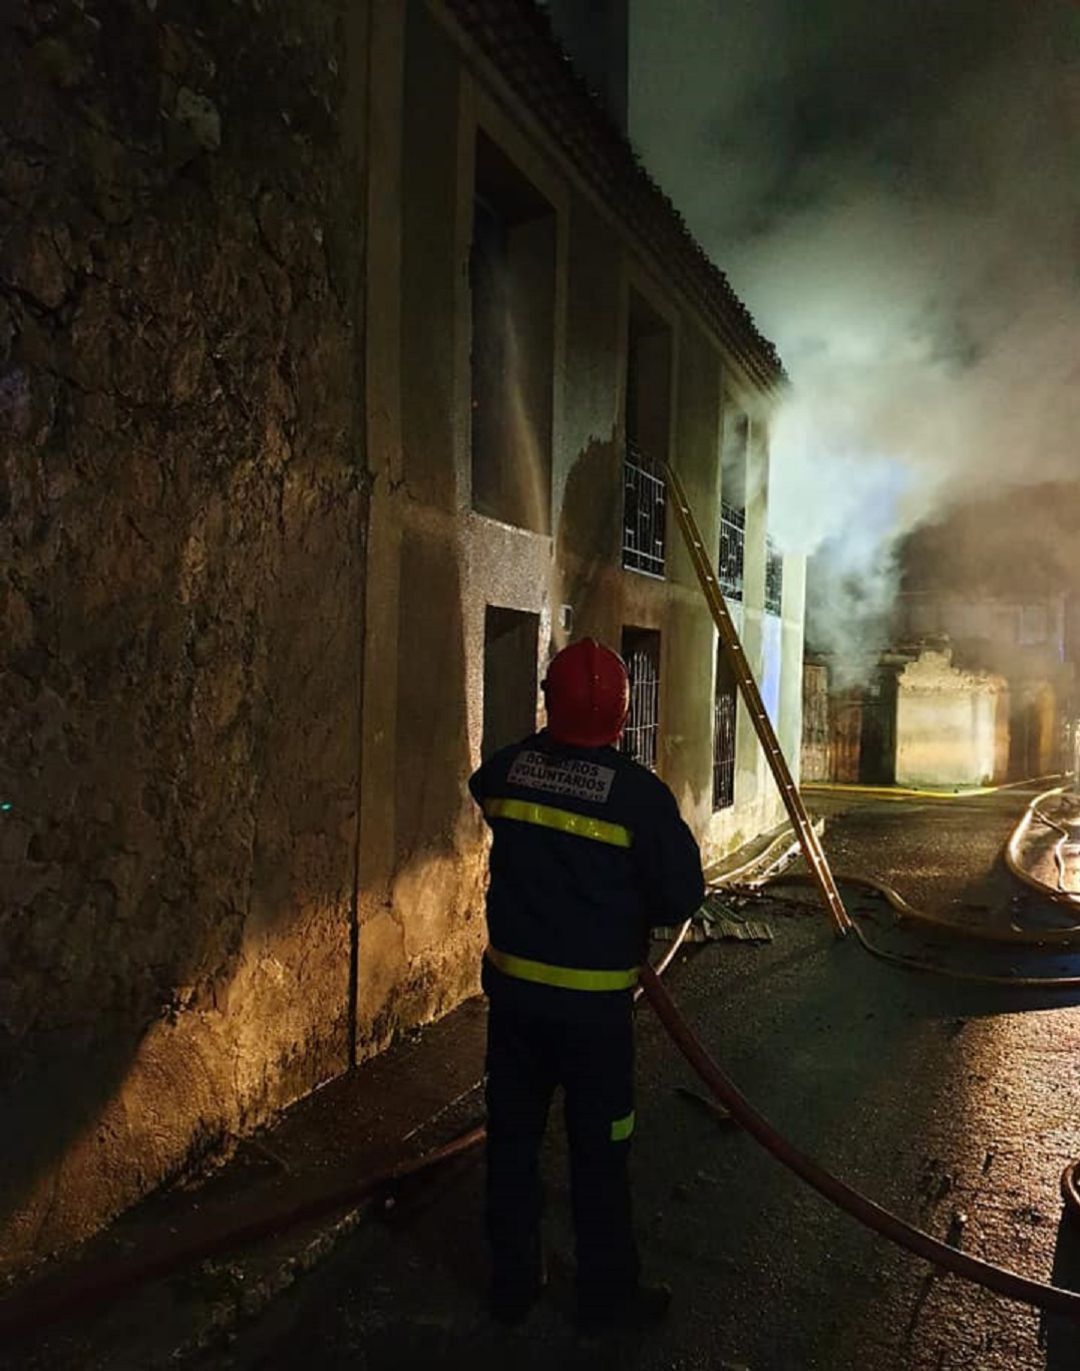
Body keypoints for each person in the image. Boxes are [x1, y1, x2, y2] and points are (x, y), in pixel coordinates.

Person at [469, 637, 706, 1334]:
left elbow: (484, 789)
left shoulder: (514, 768)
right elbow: (679, 894)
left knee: (511, 1142)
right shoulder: (639, 797)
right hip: (596, 1019)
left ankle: (512, 1284)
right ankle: (606, 1298)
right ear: (622, 716)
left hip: (514, 1007)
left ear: (551, 702)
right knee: (601, 1155)